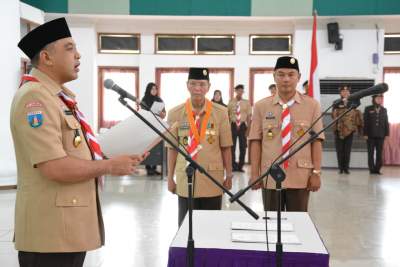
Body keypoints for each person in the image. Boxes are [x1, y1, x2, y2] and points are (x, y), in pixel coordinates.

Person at [12, 18, 146, 267]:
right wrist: (108, 166)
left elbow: (74, 152)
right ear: (46, 57)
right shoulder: (36, 99)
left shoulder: (58, 98)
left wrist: (117, 157)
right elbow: (54, 167)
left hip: (66, 229)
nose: (79, 55)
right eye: (69, 48)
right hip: (49, 234)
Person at [248, 56, 324, 212]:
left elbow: (317, 142)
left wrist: (316, 172)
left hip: (300, 176)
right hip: (270, 175)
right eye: (281, 74)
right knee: (271, 224)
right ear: (274, 76)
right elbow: (255, 141)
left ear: (299, 77)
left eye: (291, 75)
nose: (286, 79)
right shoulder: (261, 106)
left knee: (297, 223)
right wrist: (255, 173)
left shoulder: (312, 105)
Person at [167, 68, 233, 226]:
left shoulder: (221, 113)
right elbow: (172, 148)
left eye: (202, 84)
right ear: (187, 85)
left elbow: (226, 147)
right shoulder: (175, 113)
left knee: (211, 227)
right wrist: (169, 178)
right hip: (185, 178)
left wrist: (229, 175)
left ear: (208, 87)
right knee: (185, 227)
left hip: (212, 177)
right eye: (193, 83)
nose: (198, 88)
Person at [332, 85, 363, 174]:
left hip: (350, 130)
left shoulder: (354, 102)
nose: (345, 93)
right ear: (340, 93)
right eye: (343, 91)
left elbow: (357, 105)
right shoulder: (336, 102)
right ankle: (341, 168)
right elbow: (333, 115)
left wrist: (348, 101)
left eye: (347, 91)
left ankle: (346, 168)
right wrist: (342, 102)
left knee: (347, 150)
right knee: (339, 150)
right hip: (338, 130)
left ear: (349, 93)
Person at [141, 82, 166, 175]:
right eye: (152, 89)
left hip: (157, 126)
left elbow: (164, 114)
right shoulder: (144, 99)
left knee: (156, 147)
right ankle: (148, 168)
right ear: (148, 90)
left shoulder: (159, 100)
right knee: (148, 147)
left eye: (156, 89)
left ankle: (154, 167)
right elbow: (143, 113)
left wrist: (162, 114)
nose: (154, 91)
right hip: (147, 126)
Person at [227, 84, 252, 172]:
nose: (240, 92)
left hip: (242, 126)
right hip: (233, 126)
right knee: (232, 147)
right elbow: (227, 116)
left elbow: (249, 116)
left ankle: (240, 166)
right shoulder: (230, 102)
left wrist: (248, 129)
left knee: (243, 147)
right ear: (235, 91)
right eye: (238, 91)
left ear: (243, 92)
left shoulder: (247, 102)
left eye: (242, 91)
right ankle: (233, 166)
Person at [363, 94, 389, 174]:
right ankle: (371, 169)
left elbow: (386, 123)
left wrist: (387, 134)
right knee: (370, 153)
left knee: (379, 153)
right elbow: (365, 122)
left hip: (381, 135)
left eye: (381, 98)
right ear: (374, 99)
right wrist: (365, 133)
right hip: (370, 135)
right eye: (378, 98)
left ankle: (377, 169)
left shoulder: (384, 110)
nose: (379, 100)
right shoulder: (368, 109)